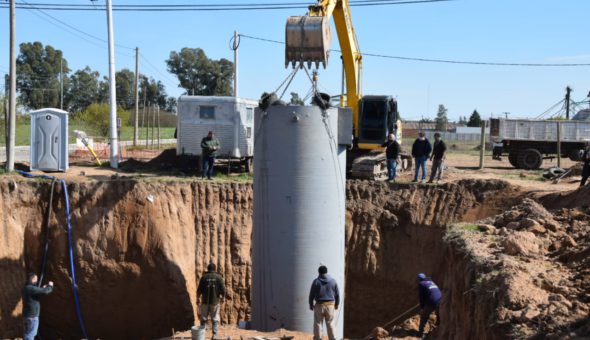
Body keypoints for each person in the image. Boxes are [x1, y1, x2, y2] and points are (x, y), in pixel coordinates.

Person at [309, 265, 340, 340]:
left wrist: (311, 304)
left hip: (319, 305)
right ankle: (333, 338)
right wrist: (336, 304)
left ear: (319, 272)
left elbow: (311, 294)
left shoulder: (316, 281)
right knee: (330, 324)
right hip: (330, 306)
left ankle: (318, 338)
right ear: (327, 272)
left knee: (318, 324)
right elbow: (337, 294)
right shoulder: (333, 281)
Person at [197, 263, 226, 337]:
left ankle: (201, 335)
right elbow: (223, 289)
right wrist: (223, 298)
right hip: (215, 302)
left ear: (208, 268)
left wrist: (198, 299)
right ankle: (214, 335)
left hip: (205, 301)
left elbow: (199, 290)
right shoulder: (219, 277)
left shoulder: (204, 277)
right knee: (215, 318)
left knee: (203, 318)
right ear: (215, 269)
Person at [22, 273, 53, 340]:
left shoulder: (26, 288)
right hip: (32, 317)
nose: (37, 281)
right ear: (32, 279)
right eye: (36, 279)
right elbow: (45, 291)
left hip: (27, 316)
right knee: (30, 335)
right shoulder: (30, 288)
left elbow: (36, 293)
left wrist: (42, 288)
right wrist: (50, 286)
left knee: (27, 334)